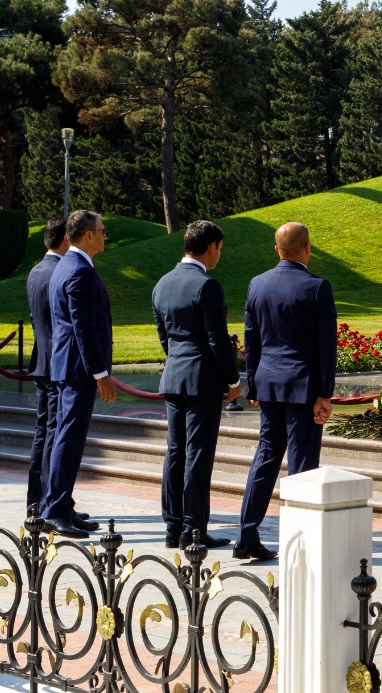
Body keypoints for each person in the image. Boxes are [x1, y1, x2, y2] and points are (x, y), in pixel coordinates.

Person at [235, 222, 336, 560]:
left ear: (276, 249)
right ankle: (300, 541)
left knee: (265, 458)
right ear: (308, 248)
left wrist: (253, 384)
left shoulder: (257, 284)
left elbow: (251, 338)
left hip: (268, 384)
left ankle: (246, 535)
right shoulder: (317, 287)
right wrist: (325, 393)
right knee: (302, 464)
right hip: (302, 386)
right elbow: (326, 346)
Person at [152, 220, 241, 550]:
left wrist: (178, 361)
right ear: (211, 247)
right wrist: (233, 379)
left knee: (175, 451)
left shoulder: (162, 283)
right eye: (221, 249)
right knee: (198, 455)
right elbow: (218, 339)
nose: (220, 254)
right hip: (203, 380)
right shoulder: (207, 285)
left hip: (174, 376)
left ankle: (173, 525)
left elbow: (164, 336)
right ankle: (194, 529)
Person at [44, 210, 114, 538]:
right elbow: (82, 327)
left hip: (68, 366)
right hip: (78, 369)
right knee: (69, 439)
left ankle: (61, 503)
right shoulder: (79, 271)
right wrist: (100, 373)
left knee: (66, 437)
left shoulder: (66, 265)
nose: (105, 236)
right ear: (88, 235)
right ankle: (55, 510)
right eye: (102, 231)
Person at [25, 217, 71, 512]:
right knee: (54, 432)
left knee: (43, 430)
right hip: (58, 364)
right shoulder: (60, 272)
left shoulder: (36, 271)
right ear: (66, 239)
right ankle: (48, 501)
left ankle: (36, 499)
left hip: (42, 360)